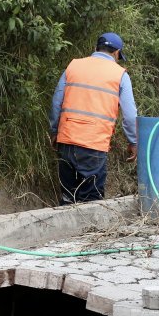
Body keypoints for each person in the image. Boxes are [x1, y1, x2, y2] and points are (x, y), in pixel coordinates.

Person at [49, 32, 138, 204]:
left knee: (68, 198)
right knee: (91, 202)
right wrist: (133, 142)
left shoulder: (73, 66)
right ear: (116, 53)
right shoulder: (120, 75)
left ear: (95, 48)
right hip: (94, 144)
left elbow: (56, 102)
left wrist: (54, 131)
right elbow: (129, 115)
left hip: (67, 140)